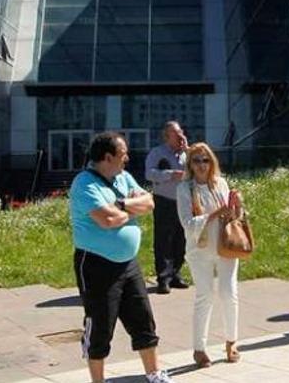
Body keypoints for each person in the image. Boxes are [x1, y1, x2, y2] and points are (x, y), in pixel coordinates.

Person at [70, 132, 172, 383]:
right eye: (123, 153)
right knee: (101, 328)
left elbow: (149, 202)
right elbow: (107, 220)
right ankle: (98, 380)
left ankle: (154, 373)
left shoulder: (123, 178)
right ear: (107, 157)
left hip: (129, 264)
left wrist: (122, 205)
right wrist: (130, 209)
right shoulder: (84, 184)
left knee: (143, 320)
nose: (127, 158)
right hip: (96, 265)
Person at [175, 142, 242, 368]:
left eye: (206, 160)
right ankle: (199, 349)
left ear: (212, 162)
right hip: (199, 250)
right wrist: (214, 214)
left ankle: (231, 341)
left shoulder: (220, 183)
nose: (202, 165)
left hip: (225, 246)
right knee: (204, 296)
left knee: (228, 293)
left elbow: (233, 216)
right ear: (190, 165)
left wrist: (237, 207)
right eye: (197, 161)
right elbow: (187, 223)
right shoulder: (185, 189)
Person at [145, 121, 190, 294]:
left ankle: (176, 274)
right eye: (175, 133)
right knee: (164, 239)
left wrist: (188, 151)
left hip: (184, 201)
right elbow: (149, 173)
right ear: (166, 136)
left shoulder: (187, 154)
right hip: (164, 200)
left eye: (181, 131)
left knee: (181, 238)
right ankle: (163, 278)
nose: (180, 135)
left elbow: (200, 168)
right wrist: (170, 175)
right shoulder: (157, 153)